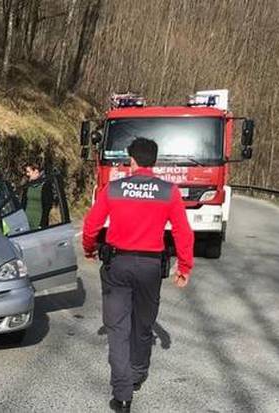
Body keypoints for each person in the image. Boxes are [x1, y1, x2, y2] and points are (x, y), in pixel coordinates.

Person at [82, 137, 194, 412]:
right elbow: (182, 231)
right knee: (143, 325)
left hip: (118, 265)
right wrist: (184, 266)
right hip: (150, 267)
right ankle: (137, 374)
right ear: (154, 161)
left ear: (132, 160)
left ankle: (122, 395)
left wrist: (88, 249)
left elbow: (91, 224)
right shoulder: (169, 191)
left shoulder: (115, 188)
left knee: (118, 329)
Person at [21, 161, 53, 230]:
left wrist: (42, 224)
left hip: (39, 221)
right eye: (26, 172)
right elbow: (23, 204)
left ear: (36, 171)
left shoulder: (45, 185)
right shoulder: (27, 186)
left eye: (28, 172)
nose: (27, 174)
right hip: (27, 220)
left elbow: (47, 207)